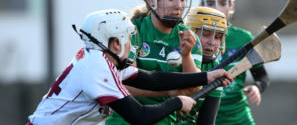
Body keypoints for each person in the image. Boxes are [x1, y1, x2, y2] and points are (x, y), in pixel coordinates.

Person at [26, 9, 233, 125]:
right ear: (114, 42)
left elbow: (153, 79)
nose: (130, 44)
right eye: (127, 38)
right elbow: (140, 116)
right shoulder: (98, 69)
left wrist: (207, 76)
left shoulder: (106, 60)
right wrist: (178, 101)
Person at [106, 0, 203, 125]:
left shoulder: (189, 38)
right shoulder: (131, 31)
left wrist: (186, 56)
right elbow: (125, 85)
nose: (179, 5)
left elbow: (193, 89)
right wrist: (171, 91)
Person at [200, 0, 271, 125]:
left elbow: (262, 75)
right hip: (204, 118)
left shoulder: (244, 38)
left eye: (222, 2)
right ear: (201, 6)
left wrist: (257, 87)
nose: (217, 9)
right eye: (210, 3)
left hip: (239, 118)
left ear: (231, 5)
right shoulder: (193, 37)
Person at [174, 6, 228, 125]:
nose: (212, 42)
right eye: (206, 34)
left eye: (217, 37)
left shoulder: (216, 67)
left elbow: (206, 121)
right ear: (190, 32)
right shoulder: (174, 57)